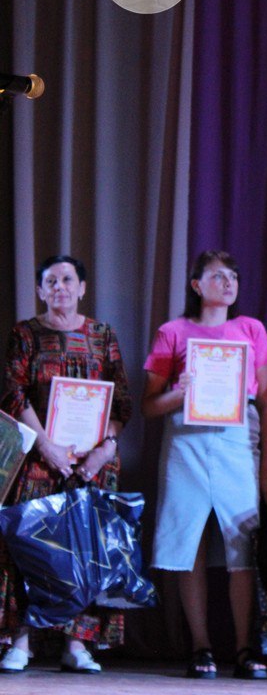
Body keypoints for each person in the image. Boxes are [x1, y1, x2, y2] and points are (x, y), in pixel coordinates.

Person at [142, 250, 267, 680]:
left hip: (238, 444)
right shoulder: (172, 332)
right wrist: (179, 393)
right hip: (186, 445)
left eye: (233, 276)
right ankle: (200, 646)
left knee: (243, 547)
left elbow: (266, 402)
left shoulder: (251, 329)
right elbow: (149, 405)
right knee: (190, 542)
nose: (229, 282)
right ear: (196, 285)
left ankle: (243, 647)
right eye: (218, 276)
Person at [0, 255, 133, 674]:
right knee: (28, 546)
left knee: (87, 551)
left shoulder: (102, 335)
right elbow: (14, 394)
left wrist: (105, 448)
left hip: (92, 461)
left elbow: (121, 401)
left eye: (68, 280)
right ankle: (21, 640)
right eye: (51, 281)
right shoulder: (25, 334)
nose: (60, 287)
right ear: (40, 290)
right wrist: (47, 445)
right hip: (38, 458)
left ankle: (76, 644)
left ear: (82, 288)